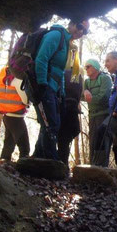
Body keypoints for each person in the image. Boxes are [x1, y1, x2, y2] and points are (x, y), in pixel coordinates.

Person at [32, 19, 89, 160]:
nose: (81, 32)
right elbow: (41, 59)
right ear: (71, 23)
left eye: (85, 31)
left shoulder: (66, 43)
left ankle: (40, 158)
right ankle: (50, 162)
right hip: (45, 86)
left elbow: (60, 71)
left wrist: (62, 92)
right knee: (51, 124)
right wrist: (42, 84)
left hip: (54, 89)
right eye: (80, 26)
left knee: (52, 124)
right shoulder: (56, 35)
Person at [0, 66, 30, 161]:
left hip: (9, 117)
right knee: (25, 147)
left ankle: (3, 164)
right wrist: (29, 99)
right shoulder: (18, 77)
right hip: (15, 118)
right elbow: (25, 98)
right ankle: (23, 168)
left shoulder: (11, 74)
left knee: (8, 146)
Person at [83, 59, 112, 164]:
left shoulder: (105, 78)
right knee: (92, 142)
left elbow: (103, 97)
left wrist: (90, 98)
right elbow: (82, 96)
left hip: (104, 115)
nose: (86, 69)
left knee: (103, 141)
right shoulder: (86, 82)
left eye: (88, 66)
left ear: (95, 67)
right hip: (92, 115)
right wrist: (86, 92)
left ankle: (102, 167)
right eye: (85, 67)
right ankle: (92, 166)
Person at [58, 69, 83, 168]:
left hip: (65, 110)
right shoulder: (75, 74)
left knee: (63, 140)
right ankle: (63, 164)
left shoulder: (68, 73)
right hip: (70, 111)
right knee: (64, 140)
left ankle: (62, 165)